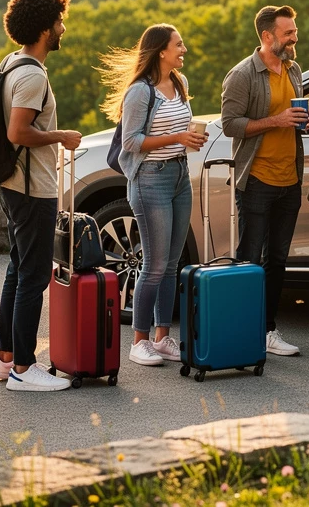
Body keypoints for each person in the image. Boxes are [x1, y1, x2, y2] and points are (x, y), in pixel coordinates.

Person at [0, 0, 82, 393]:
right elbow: (18, 132)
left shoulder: (13, 63)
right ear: (46, 28)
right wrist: (61, 135)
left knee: (18, 268)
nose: (64, 27)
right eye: (60, 21)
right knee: (34, 275)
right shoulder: (31, 76)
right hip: (31, 189)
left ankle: (5, 358)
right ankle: (24, 370)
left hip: (13, 185)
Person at [99, 24, 207, 367]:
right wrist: (177, 138)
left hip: (178, 176)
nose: (184, 49)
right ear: (161, 51)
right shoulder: (140, 93)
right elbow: (131, 142)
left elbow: (175, 129)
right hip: (150, 181)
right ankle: (139, 341)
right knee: (155, 264)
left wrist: (188, 138)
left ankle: (162, 338)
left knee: (172, 264)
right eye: (179, 44)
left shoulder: (179, 83)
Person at [221, 5, 309, 356]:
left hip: (289, 179)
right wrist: (276, 120)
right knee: (249, 260)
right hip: (257, 179)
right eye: (288, 33)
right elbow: (231, 124)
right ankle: (242, 330)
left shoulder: (294, 68)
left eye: (294, 31)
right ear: (267, 36)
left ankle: (267, 330)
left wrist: (303, 120)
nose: (294, 37)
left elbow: (293, 119)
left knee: (277, 260)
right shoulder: (243, 74)